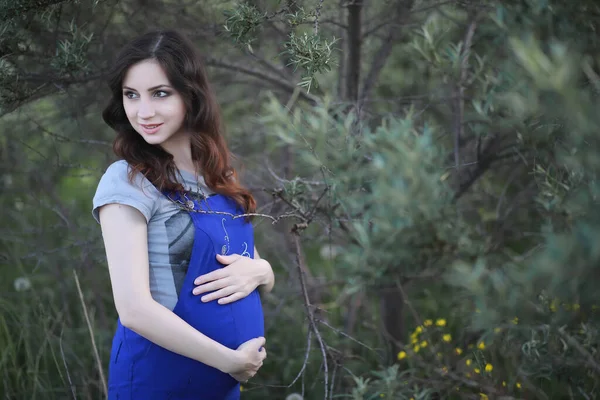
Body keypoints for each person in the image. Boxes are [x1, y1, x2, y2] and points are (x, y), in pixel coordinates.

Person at [92, 29, 275, 400]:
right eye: (131, 95)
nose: (144, 112)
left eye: (160, 93)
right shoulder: (127, 181)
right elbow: (134, 310)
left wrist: (264, 271)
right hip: (158, 381)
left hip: (221, 387)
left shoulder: (218, 176)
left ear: (190, 95)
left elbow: (249, 268)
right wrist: (229, 361)